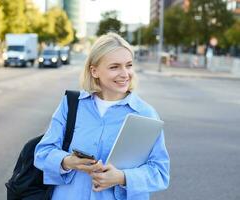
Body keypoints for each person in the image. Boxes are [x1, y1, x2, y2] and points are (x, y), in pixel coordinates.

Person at [34, 32, 170, 200]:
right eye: (114, 67)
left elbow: (160, 172)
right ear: (94, 71)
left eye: (128, 65)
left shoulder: (145, 114)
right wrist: (67, 161)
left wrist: (122, 177)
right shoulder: (71, 105)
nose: (125, 73)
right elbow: (42, 153)